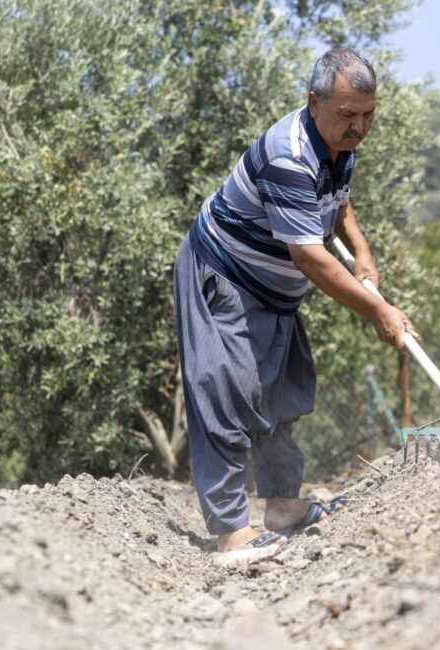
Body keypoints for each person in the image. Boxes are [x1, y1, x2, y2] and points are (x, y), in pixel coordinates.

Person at [173, 48, 419, 553]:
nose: (359, 127)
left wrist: (363, 254)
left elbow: (338, 206)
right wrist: (378, 310)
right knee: (227, 390)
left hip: (273, 289)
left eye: (368, 115)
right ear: (314, 102)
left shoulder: (338, 142)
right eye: (348, 115)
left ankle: (283, 504)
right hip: (224, 275)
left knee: (280, 396)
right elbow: (309, 255)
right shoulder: (288, 156)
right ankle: (231, 534)